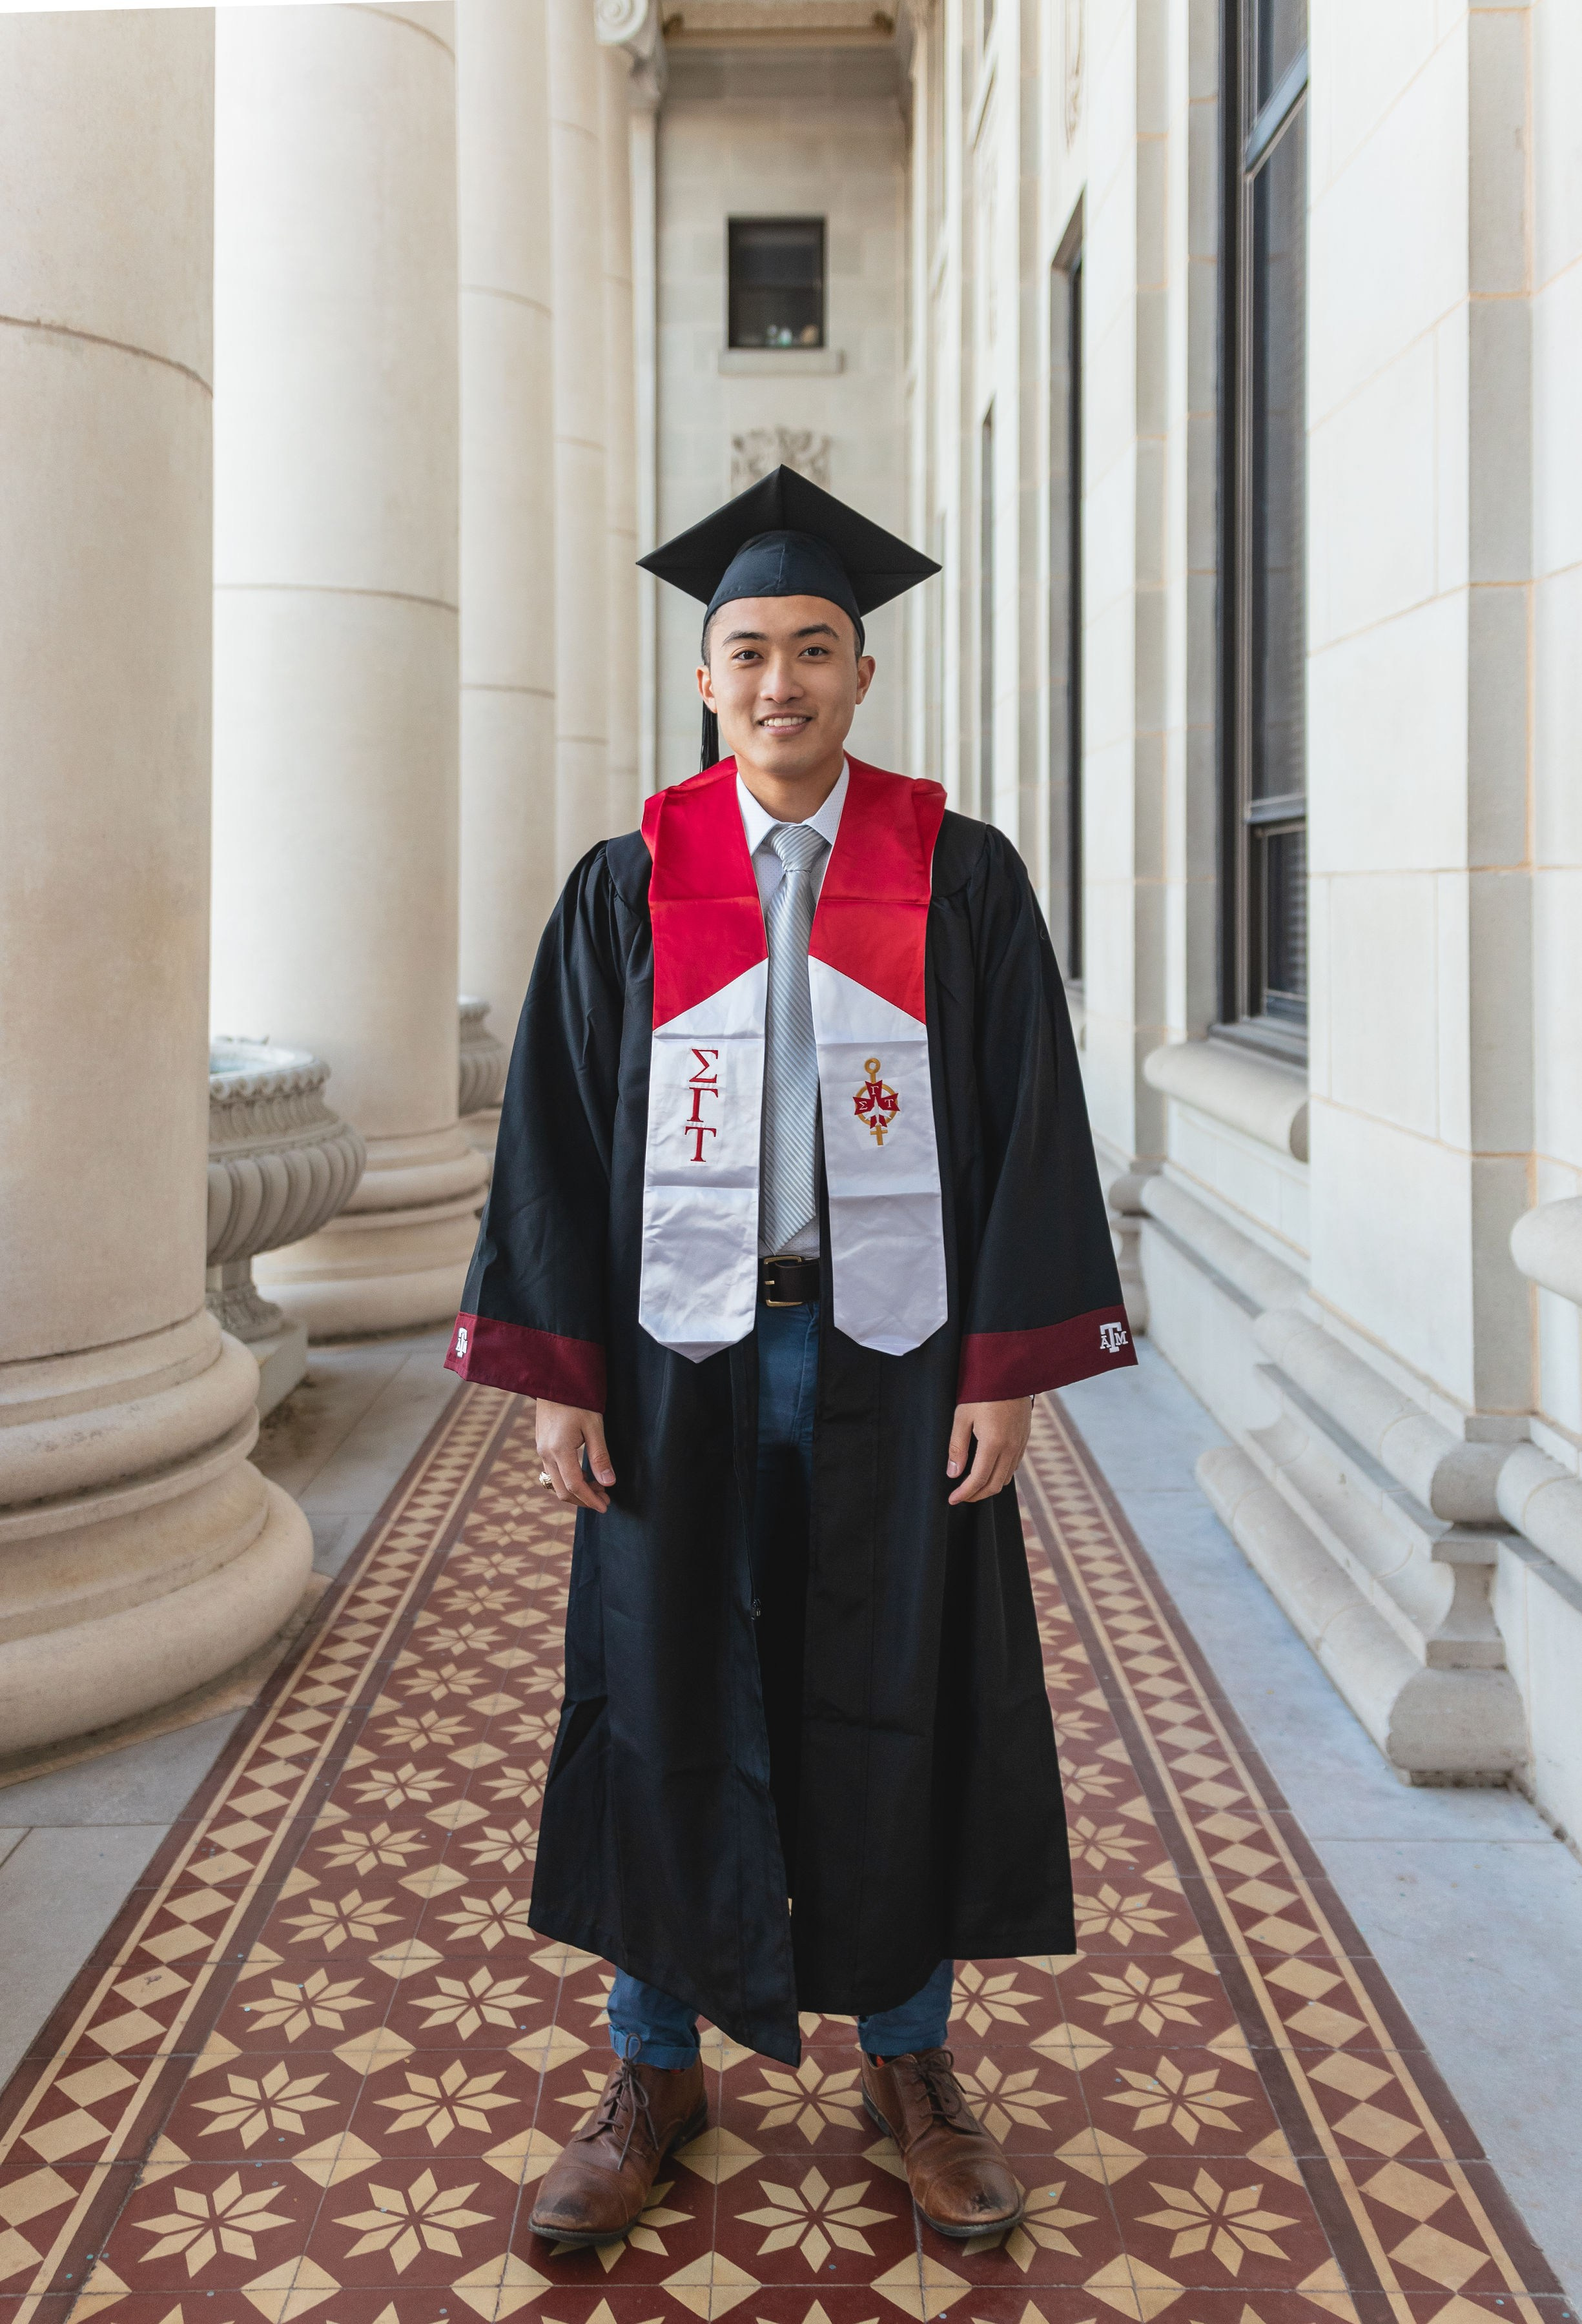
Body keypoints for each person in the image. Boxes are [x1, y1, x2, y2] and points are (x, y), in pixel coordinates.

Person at [444, 466, 1135, 2249]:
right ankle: (652, 2059)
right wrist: (561, 1374)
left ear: (860, 674)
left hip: (892, 1362)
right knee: (661, 1688)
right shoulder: (626, 886)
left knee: (907, 1688)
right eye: (745, 651)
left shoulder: (958, 879)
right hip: (679, 1361)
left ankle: (908, 2058)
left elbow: (1028, 1126)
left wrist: (1007, 1365)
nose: (780, 681)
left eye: (813, 649)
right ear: (702, 682)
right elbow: (554, 1143)